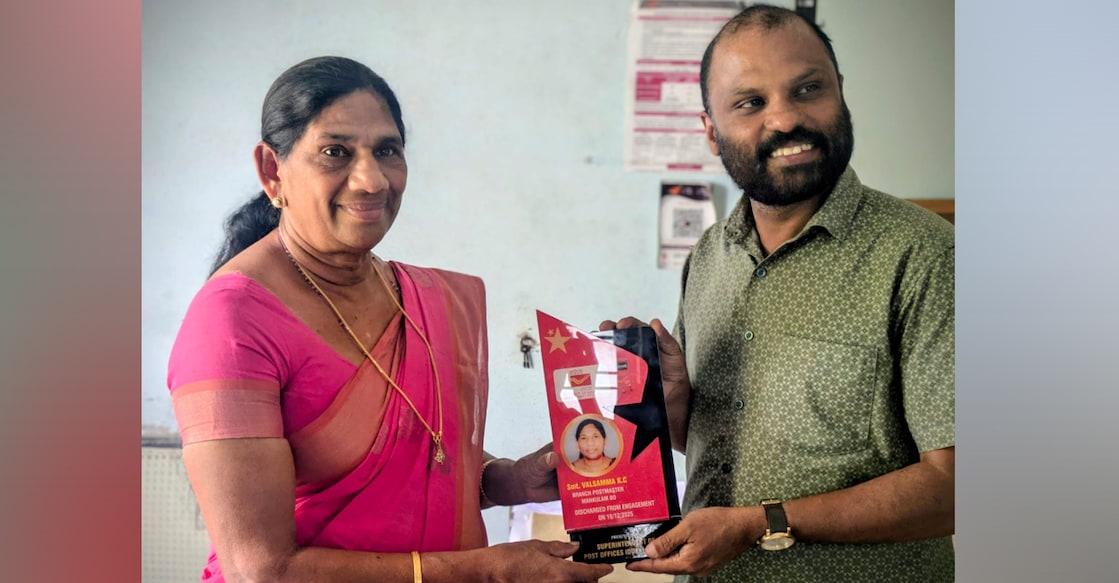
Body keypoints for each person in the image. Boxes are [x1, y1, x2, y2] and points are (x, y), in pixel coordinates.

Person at [166, 56, 613, 583]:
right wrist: (487, 571)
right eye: (335, 152)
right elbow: (261, 570)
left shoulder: (425, 297)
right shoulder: (232, 321)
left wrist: (511, 479)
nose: (371, 180)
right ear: (273, 171)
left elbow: (422, 466)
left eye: (387, 151)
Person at [602, 5, 955, 582]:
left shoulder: (925, 256)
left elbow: (955, 488)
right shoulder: (709, 256)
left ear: (841, 94)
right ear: (711, 131)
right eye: (750, 103)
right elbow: (722, 443)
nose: (786, 119)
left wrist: (761, 524)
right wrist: (673, 405)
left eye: (808, 89)